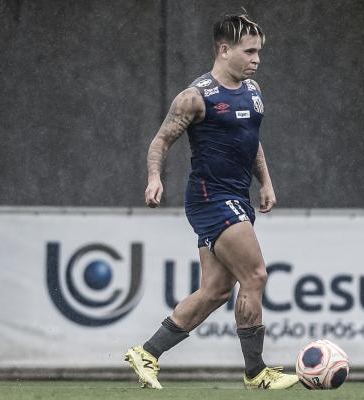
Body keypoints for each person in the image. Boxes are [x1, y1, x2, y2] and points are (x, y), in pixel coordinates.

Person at [124, 12, 299, 390]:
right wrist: (154, 177)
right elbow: (160, 141)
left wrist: (265, 181)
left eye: (259, 52)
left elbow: (249, 141)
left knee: (217, 290)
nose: (257, 59)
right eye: (249, 51)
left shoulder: (253, 92)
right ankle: (256, 372)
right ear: (224, 50)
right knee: (256, 275)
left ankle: (148, 352)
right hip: (210, 198)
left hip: (236, 196)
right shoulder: (196, 97)